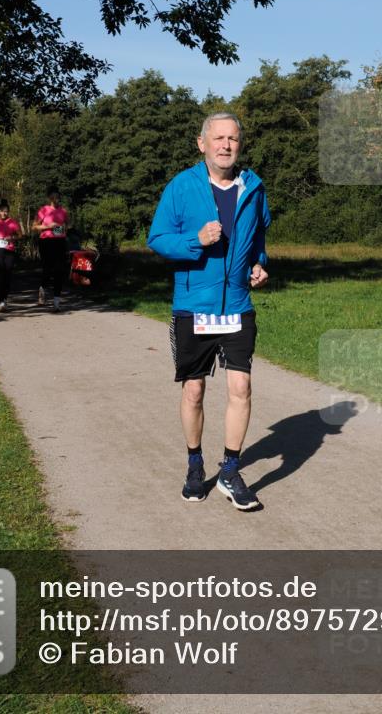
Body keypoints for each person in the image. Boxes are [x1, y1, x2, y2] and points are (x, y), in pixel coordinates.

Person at [147, 113, 271, 510]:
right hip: (194, 306)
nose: (225, 145)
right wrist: (195, 241)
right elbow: (158, 239)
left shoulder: (253, 187)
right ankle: (195, 464)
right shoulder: (181, 187)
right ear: (201, 143)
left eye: (232, 138)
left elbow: (257, 238)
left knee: (241, 388)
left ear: (240, 144)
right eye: (217, 138)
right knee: (195, 390)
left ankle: (231, 471)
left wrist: (258, 264)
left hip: (237, 305)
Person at [32, 188, 70, 312]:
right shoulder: (44, 210)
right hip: (46, 242)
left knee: (59, 270)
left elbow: (68, 226)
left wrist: (63, 227)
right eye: (53, 197)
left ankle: (56, 302)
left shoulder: (63, 211)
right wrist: (48, 226)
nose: (56, 199)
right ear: (50, 199)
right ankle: (42, 289)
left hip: (60, 242)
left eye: (58, 197)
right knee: (47, 269)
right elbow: (34, 226)